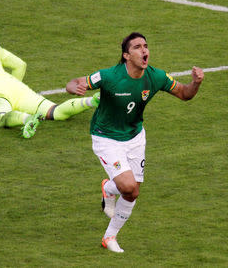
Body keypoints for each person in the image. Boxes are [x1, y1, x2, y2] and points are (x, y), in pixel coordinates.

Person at [66, 32, 204, 253]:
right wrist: (74, 88)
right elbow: (74, 82)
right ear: (126, 55)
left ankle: (109, 219)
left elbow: (185, 94)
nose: (144, 50)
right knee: (129, 187)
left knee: (131, 193)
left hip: (135, 137)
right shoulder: (110, 76)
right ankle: (110, 226)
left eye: (146, 46)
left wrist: (195, 83)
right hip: (106, 138)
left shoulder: (156, 76)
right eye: (137, 47)